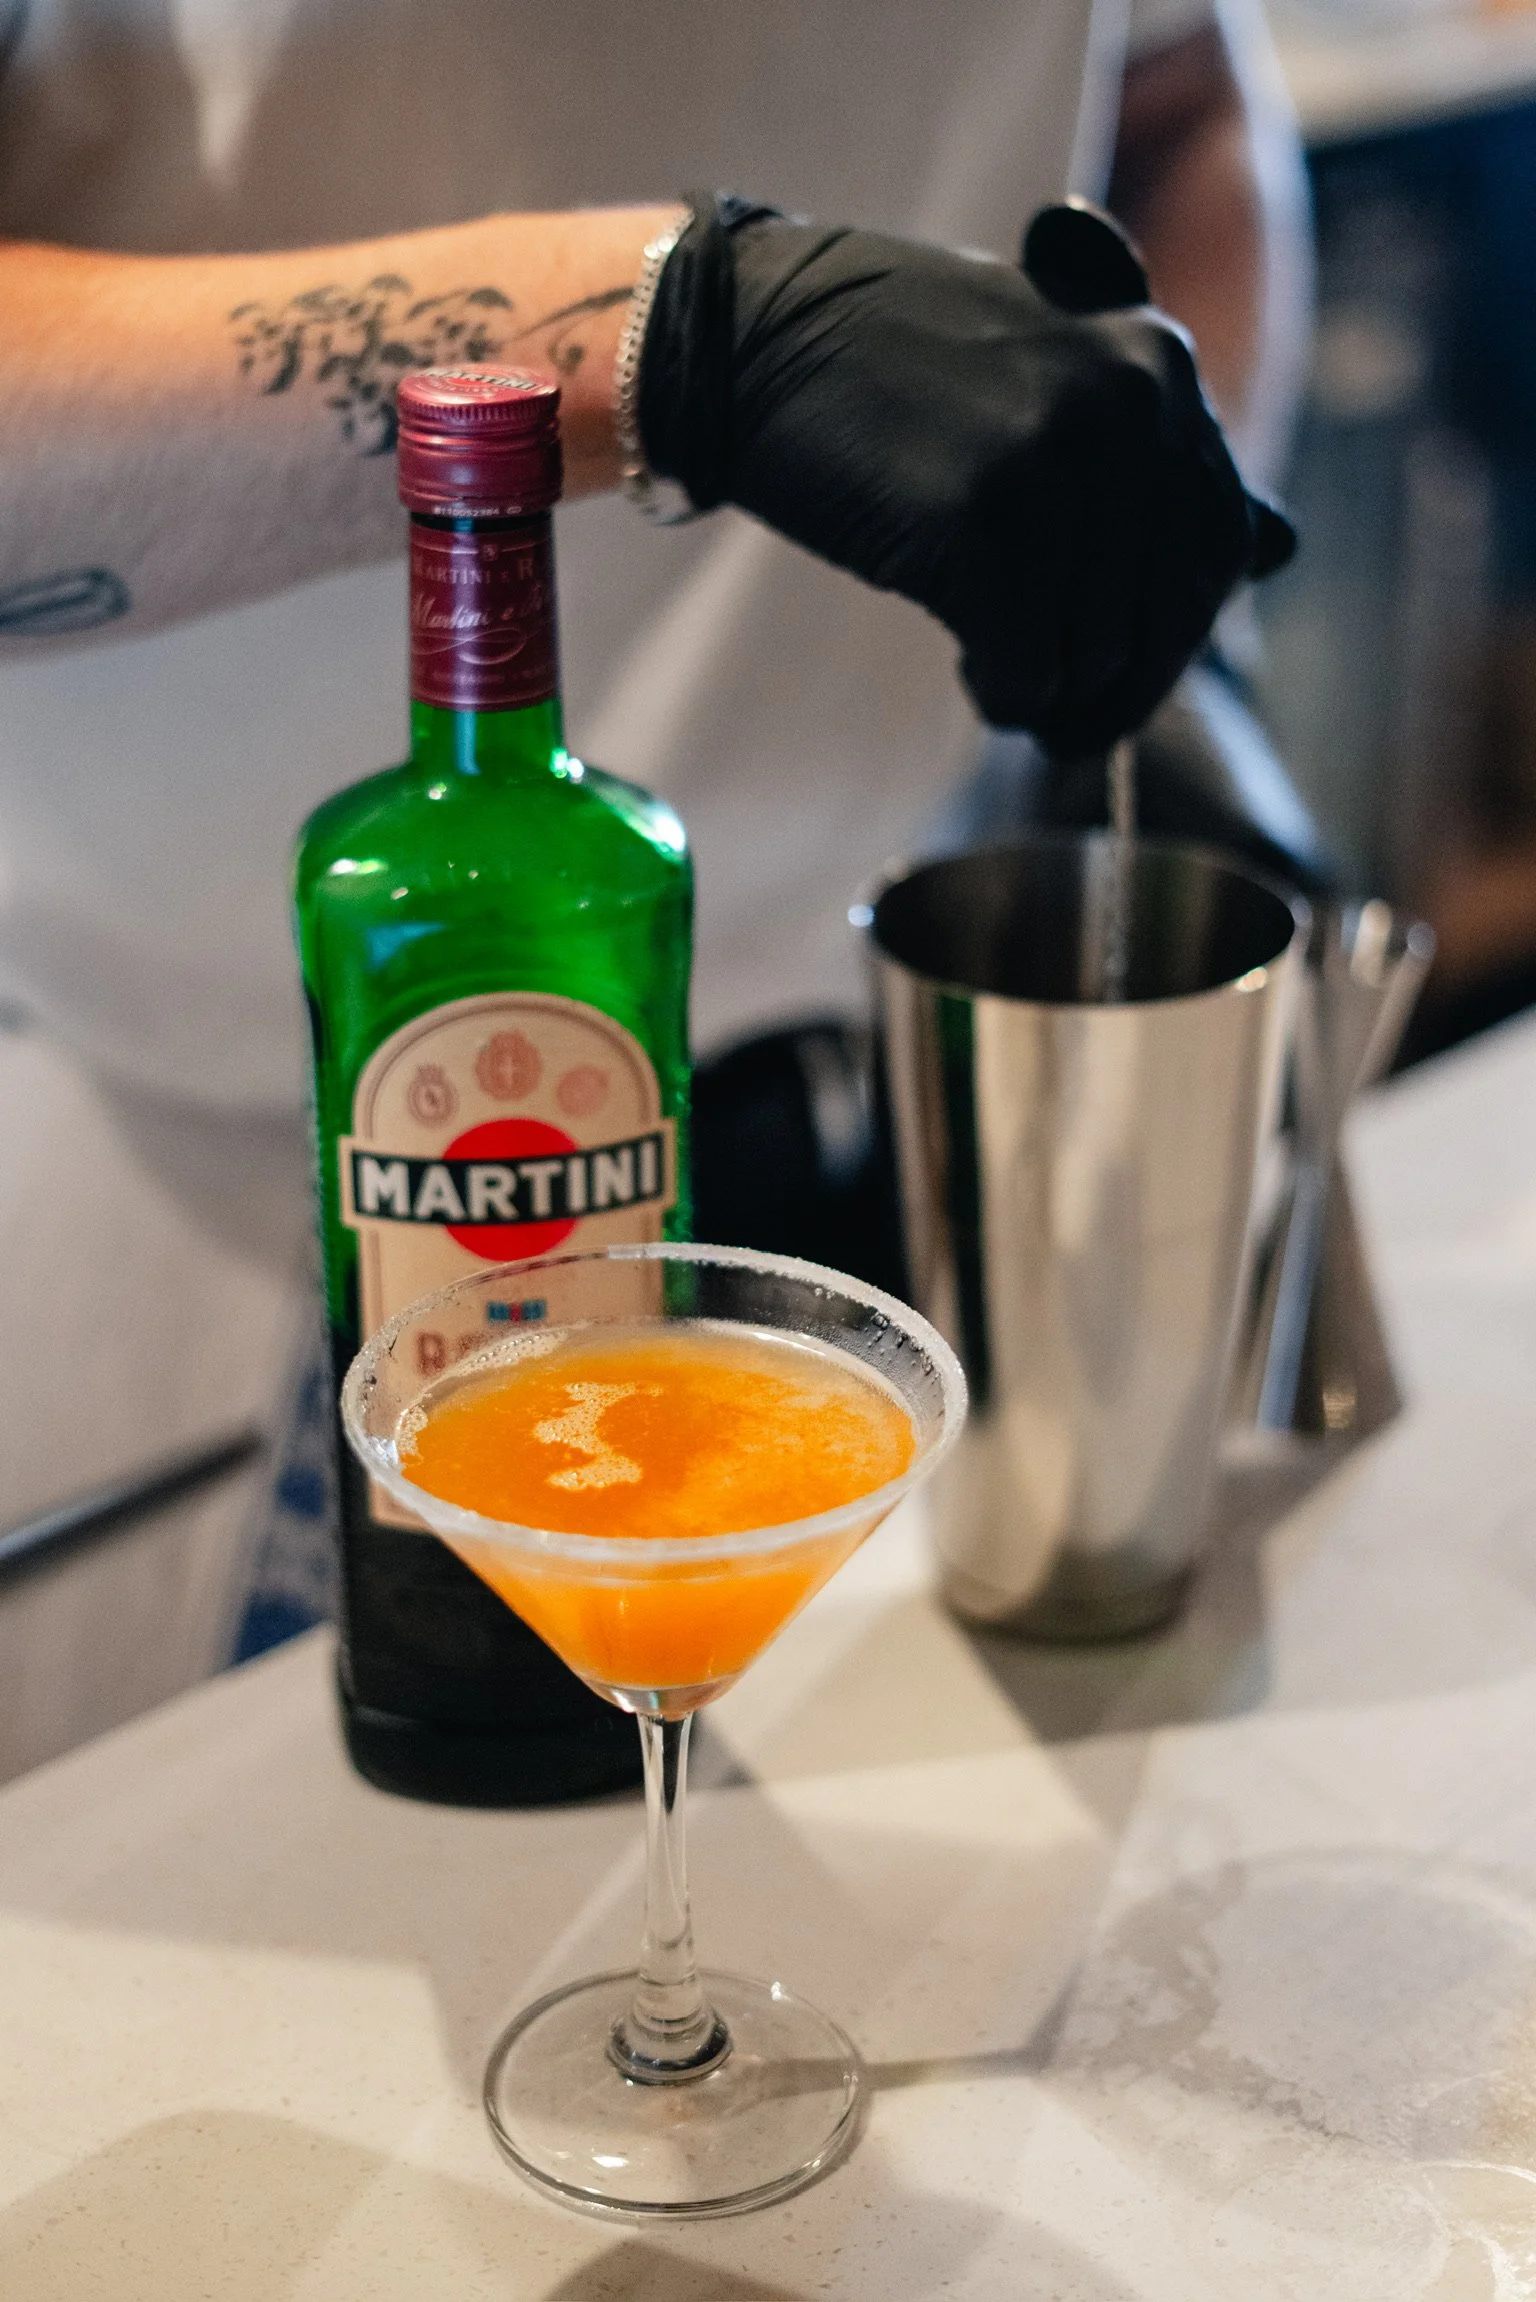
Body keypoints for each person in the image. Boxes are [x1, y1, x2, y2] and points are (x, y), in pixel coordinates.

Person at [0, 0, 1312, 1744]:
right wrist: (674, 335)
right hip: (272, 1193)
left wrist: (1172, 612)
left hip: (875, 1134)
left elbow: (1181, 104)